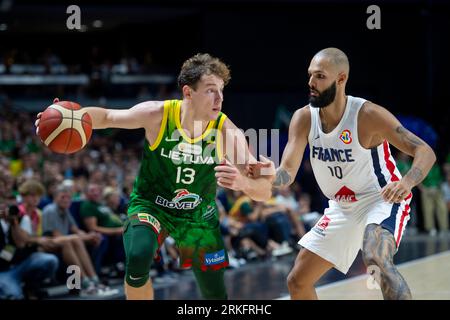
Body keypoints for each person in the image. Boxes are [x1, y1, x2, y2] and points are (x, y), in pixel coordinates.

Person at [35, 53, 272, 300]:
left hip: (197, 213)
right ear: (188, 92)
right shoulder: (158, 114)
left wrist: (243, 182)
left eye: (222, 90)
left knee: (214, 290)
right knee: (138, 256)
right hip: (151, 205)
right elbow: (107, 117)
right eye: (211, 90)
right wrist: (63, 117)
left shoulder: (227, 132)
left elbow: (264, 192)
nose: (219, 98)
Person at [243, 48, 437, 300]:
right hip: (342, 207)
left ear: (341, 78)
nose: (311, 82)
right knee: (298, 281)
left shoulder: (367, 115)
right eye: (310, 75)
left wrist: (407, 182)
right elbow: (287, 173)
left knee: (375, 257)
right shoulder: (303, 118)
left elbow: (425, 150)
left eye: (320, 76)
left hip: (381, 198)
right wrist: (269, 175)